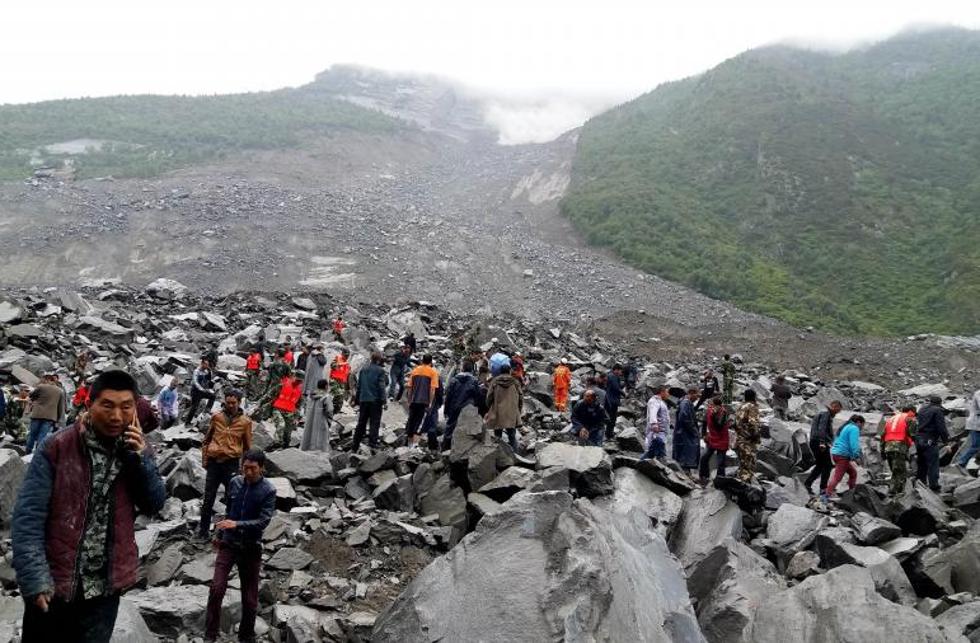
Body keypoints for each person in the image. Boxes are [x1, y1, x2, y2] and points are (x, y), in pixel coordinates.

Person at [12, 370, 166, 642]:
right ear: (89, 404)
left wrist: (140, 459)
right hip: (53, 586)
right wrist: (35, 578)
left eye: (125, 407)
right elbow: (28, 516)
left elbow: (154, 504)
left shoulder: (136, 449)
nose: (116, 416)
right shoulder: (57, 446)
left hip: (103, 592)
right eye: (107, 405)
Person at [204, 449, 276, 643]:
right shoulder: (235, 483)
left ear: (262, 468)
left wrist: (237, 525)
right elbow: (230, 511)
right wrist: (220, 533)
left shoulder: (268, 490)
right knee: (216, 589)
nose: (249, 472)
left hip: (251, 547)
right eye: (245, 468)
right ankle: (210, 635)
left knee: (250, 597)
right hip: (228, 543)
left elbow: (263, 521)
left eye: (253, 468)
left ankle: (246, 636)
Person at [199, 389, 252, 540]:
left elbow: (247, 447)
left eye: (233, 403)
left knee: (232, 499)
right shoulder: (216, 417)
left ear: (239, 402)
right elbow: (206, 440)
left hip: (231, 464)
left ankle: (227, 532)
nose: (230, 405)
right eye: (227, 402)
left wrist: (244, 469)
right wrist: (205, 460)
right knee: (208, 498)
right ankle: (202, 532)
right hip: (214, 463)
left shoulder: (245, 422)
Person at [804, 400, 842, 495]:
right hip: (820, 442)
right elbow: (822, 429)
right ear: (834, 407)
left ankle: (808, 484)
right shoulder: (826, 414)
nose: (837, 413)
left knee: (820, 465)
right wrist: (822, 442)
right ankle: (823, 488)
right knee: (827, 465)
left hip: (814, 441)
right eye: (838, 410)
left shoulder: (822, 413)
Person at [351, 352, 387, 452]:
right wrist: (384, 401)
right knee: (374, 422)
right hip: (375, 400)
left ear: (371, 359)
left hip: (363, 399)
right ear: (379, 360)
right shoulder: (380, 371)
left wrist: (357, 400)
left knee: (361, 423)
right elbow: (381, 387)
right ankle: (373, 444)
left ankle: (355, 444)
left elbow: (359, 386)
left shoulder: (363, 370)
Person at [441, 360, 482, 451]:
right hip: (468, 408)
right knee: (466, 429)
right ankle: (462, 450)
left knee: (450, 427)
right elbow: (478, 396)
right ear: (472, 370)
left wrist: (446, 410)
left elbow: (449, 396)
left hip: (454, 406)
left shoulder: (454, 380)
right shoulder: (474, 381)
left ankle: (445, 449)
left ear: (462, 368)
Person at [824, 415, 865, 500]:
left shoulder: (846, 426)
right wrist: (856, 456)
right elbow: (854, 444)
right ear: (858, 422)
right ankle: (827, 495)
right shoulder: (854, 428)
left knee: (853, 473)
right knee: (837, 477)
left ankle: (851, 493)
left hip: (836, 453)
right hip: (842, 455)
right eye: (862, 425)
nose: (862, 427)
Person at [484, 364, 523, 451]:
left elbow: (488, 397)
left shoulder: (494, 382)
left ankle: (498, 457)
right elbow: (521, 398)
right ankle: (515, 456)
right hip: (512, 412)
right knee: (512, 437)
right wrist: (518, 410)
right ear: (509, 371)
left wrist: (490, 408)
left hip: (498, 412)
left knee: (498, 437)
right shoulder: (515, 382)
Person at [404, 354, 439, 448]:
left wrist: (409, 399)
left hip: (414, 400)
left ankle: (408, 443)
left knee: (411, 420)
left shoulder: (415, 370)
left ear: (422, 360)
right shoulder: (433, 372)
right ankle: (414, 446)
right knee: (420, 422)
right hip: (424, 401)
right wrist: (430, 402)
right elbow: (432, 389)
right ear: (431, 362)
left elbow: (410, 387)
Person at [915, 395, 949, 492]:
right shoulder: (937, 410)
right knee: (933, 463)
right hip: (929, 439)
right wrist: (946, 442)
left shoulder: (922, 409)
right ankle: (934, 485)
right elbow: (941, 428)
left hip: (919, 439)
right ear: (939, 403)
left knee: (921, 462)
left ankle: (920, 484)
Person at [26, 374, 66, 454]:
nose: (42, 381)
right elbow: (61, 406)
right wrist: (60, 420)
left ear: (48, 380)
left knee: (32, 435)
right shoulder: (60, 391)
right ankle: (37, 453)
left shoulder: (41, 387)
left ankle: (28, 451)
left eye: (43, 379)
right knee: (42, 436)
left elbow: (31, 395)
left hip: (37, 414)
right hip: (50, 417)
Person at [882, 406, 917, 495]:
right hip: (899, 447)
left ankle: (894, 491)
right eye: (914, 413)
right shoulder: (909, 419)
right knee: (900, 471)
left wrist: (882, 451)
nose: (914, 416)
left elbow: (883, 435)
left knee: (895, 470)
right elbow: (913, 435)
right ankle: (896, 493)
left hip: (888, 447)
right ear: (910, 411)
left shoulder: (891, 419)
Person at [699, 397, 731, 482]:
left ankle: (720, 480)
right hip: (712, 438)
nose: (712, 407)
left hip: (722, 439)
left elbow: (719, 427)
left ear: (719, 406)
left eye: (713, 406)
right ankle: (704, 476)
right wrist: (704, 434)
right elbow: (704, 423)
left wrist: (713, 417)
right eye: (711, 405)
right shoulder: (708, 411)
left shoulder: (723, 413)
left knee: (720, 462)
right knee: (704, 458)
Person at [734, 389, 761, 483]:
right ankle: (745, 487)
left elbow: (735, 423)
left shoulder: (740, 406)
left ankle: (739, 483)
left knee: (742, 463)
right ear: (754, 397)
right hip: (748, 441)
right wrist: (755, 436)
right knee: (749, 465)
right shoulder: (752, 407)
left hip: (740, 439)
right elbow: (753, 423)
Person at [271, 371, 303, 448]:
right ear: (294, 376)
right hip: (278, 409)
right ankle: (276, 444)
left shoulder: (300, 390)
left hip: (290, 412)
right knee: (281, 425)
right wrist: (259, 403)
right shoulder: (283, 384)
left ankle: (285, 447)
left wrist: (297, 418)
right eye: (297, 379)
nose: (298, 382)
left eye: (300, 381)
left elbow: (299, 405)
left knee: (288, 433)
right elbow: (270, 394)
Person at [673, 387, 700, 474]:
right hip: (685, 434)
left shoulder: (685, 402)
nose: (697, 398)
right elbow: (684, 417)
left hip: (683, 433)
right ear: (691, 393)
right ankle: (685, 474)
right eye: (697, 395)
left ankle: (686, 473)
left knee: (684, 454)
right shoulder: (685, 403)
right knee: (685, 455)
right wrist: (694, 430)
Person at [301, 379, 333, 452]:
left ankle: (306, 449)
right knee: (321, 438)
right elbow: (329, 410)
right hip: (321, 419)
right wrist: (329, 420)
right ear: (326, 386)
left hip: (309, 419)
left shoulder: (310, 396)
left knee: (308, 435)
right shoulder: (326, 397)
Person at [641, 384, 670, 460]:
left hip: (660, 430)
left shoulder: (659, 401)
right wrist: (654, 425)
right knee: (655, 451)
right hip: (657, 431)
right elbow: (653, 413)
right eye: (667, 392)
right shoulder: (655, 401)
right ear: (662, 392)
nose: (668, 394)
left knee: (653, 451)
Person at [184, 359, 216, 426]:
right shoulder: (196, 371)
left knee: (213, 396)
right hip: (196, 391)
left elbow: (209, 379)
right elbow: (195, 382)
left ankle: (207, 410)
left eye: (208, 365)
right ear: (202, 364)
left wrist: (210, 371)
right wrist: (201, 389)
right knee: (194, 407)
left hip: (203, 390)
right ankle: (187, 422)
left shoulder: (206, 371)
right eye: (206, 364)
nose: (207, 366)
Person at [956, 387, 980, 473]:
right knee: (976, 446)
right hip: (976, 424)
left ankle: (975, 464)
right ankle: (961, 462)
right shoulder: (978, 393)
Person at [421, 374, 445, 451]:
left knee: (425, 420)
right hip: (433, 402)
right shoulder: (436, 378)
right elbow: (440, 393)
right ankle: (432, 446)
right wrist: (440, 402)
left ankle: (420, 438)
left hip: (422, 401)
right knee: (432, 424)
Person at [302, 345, 327, 409]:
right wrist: (322, 354)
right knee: (315, 393)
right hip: (316, 377)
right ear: (320, 349)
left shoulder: (310, 355)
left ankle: (305, 407)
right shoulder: (319, 355)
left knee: (309, 393)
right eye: (322, 349)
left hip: (309, 377)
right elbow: (324, 362)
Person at [328, 349, 351, 414]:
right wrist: (340, 364)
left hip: (342, 382)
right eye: (345, 355)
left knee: (339, 398)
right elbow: (332, 366)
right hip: (334, 380)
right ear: (342, 354)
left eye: (348, 355)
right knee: (338, 396)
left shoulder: (347, 364)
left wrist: (348, 387)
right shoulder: (337, 358)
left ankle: (335, 412)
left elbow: (347, 375)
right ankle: (332, 411)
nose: (347, 357)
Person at [604, 365, 623, 440]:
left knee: (610, 417)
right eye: (620, 371)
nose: (621, 373)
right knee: (612, 418)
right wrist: (624, 393)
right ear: (616, 370)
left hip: (609, 399)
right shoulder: (613, 376)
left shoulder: (609, 375)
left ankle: (608, 433)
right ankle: (609, 434)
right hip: (612, 400)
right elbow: (616, 388)